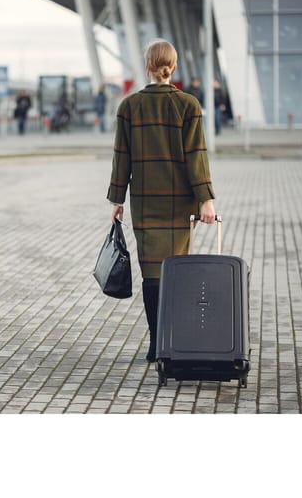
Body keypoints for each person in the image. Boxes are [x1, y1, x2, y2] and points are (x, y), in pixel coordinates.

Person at [107, 39, 216, 363]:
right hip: (181, 203)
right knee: (176, 271)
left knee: (152, 274)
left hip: (145, 202)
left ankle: (156, 344)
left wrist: (117, 199)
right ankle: (173, 342)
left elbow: (121, 157)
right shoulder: (188, 104)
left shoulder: (129, 106)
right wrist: (206, 200)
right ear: (174, 65)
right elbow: (196, 157)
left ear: (147, 66)